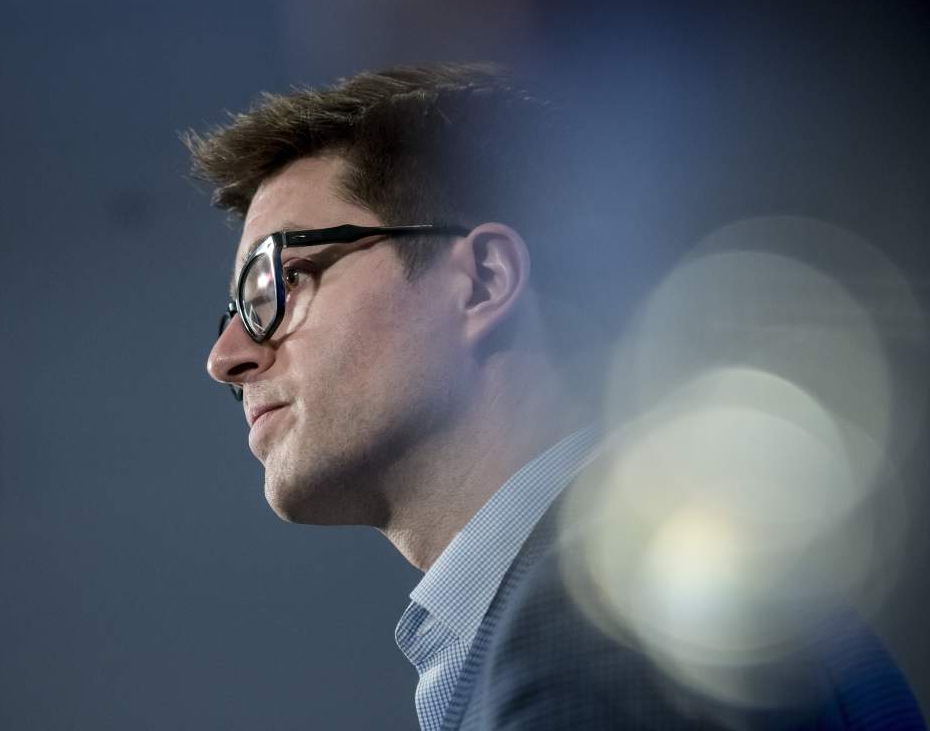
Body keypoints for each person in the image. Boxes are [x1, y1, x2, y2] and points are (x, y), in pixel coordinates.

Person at [188, 64, 924, 730]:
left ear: (481, 280)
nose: (227, 356)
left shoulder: (595, 632)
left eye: (272, 284)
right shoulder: (647, 587)